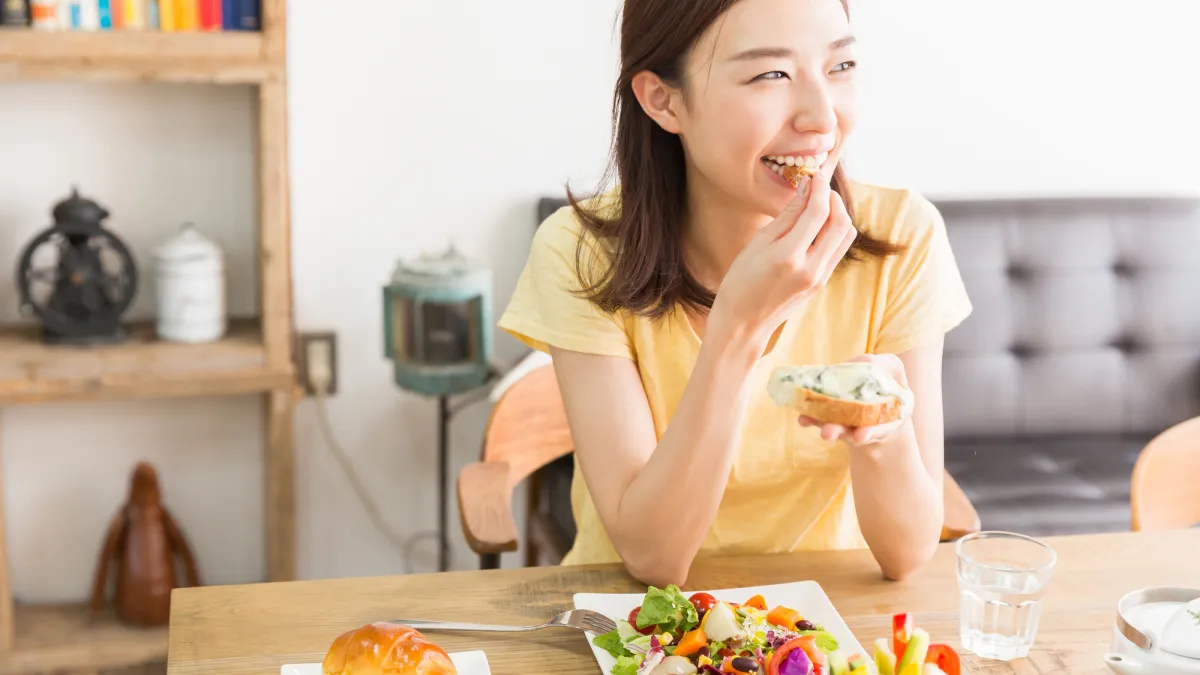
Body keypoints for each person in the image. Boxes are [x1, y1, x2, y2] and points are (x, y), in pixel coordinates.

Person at [498, 0, 972, 587]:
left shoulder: (903, 235)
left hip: (827, 618)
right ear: (663, 101)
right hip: (635, 618)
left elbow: (907, 555)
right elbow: (652, 559)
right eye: (771, 74)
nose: (822, 118)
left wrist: (881, 427)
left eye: (841, 66)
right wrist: (739, 329)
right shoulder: (580, 252)